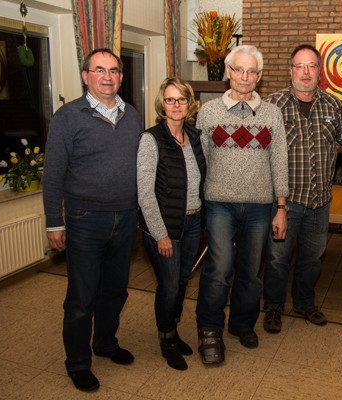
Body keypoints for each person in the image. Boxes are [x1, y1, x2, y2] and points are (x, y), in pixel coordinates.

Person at [43, 48, 143, 391]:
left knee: (115, 290)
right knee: (82, 296)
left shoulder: (133, 116)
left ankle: (104, 343)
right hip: (85, 219)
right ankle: (78, 362)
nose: (107, 76)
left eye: (114, 70)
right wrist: (55, 222)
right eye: (99, 70)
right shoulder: (68, 117)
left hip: (126, 215)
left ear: (121, 76)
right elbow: (53, 174)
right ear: (86, 75)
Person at [195, 45, 289, 365]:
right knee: (219, 269)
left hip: (261, 206)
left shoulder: (272, 114)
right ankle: (209, 329)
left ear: (259, 76)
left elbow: (279, 162)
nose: (245, 77)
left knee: (251, 272)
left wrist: (281, 207)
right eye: (239, 69)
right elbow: (201, 159)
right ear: (228, 72)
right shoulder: (208, 111)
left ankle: (241, 324)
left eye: (252, 71)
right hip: (219, 203)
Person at [262, 44, 342, 333]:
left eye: (311, 66)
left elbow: (339, 144)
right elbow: (263, 154)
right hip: (284, 203)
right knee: (277, 259)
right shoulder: (272, 106)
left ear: (320, 71)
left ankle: (304, 302)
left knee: (312, 258)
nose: (306, 72)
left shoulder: (334, 106)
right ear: (290, 71)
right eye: (299, 66)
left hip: (320, 202)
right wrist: (279, 205)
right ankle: (273, 307)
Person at [137, 77, 206, 371]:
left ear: (189, 103)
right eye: (170, 99)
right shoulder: (151, 139)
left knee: (181, 281)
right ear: (162, 104)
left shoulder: (195, 135)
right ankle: (166, 339)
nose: (176, 105)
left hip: (193, 222)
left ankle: (174, 331)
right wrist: (160, 234)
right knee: (167, 285)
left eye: (181, 99)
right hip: (164, 227)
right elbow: (144, 192)